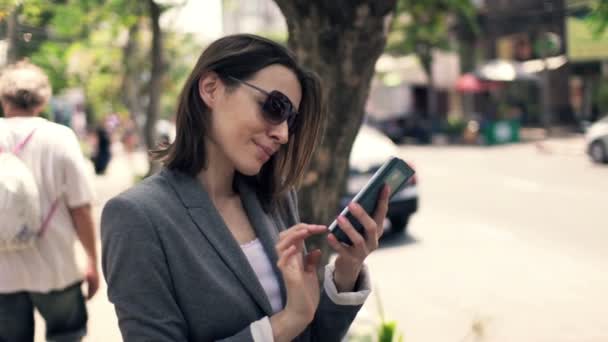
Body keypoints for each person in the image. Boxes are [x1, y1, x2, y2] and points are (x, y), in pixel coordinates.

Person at [101, 34, 390, 342]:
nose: (283, 134)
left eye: (290, 121)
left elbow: (311, 335)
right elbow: (293, 323)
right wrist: (284, 324)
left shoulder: (276, 199)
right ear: (211, 88)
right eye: (275, 107)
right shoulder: (136, 217)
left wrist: (348, 268)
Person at [0, 61, 99, 341]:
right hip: (56, 267)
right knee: (67, 334)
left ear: (4, 97)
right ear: (43, 99)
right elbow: (80, 208)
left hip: (2, 275)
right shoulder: (59, 137)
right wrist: (92, 260)